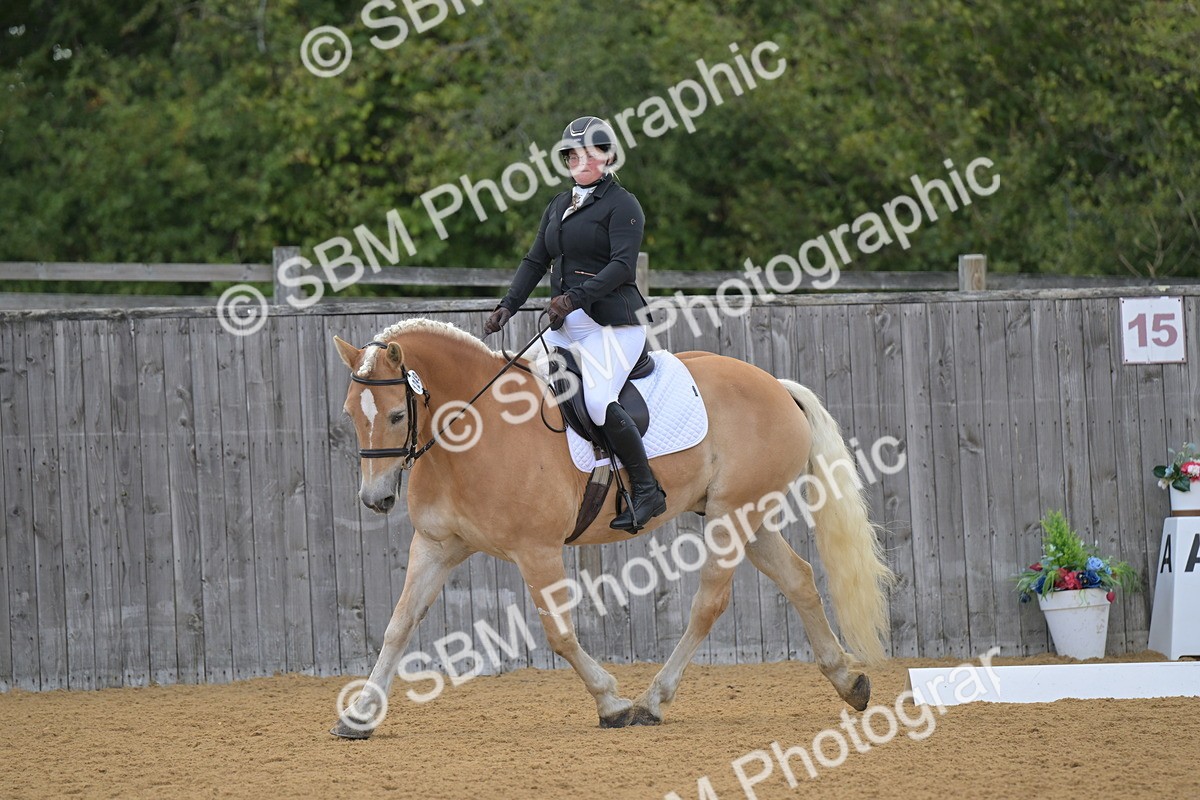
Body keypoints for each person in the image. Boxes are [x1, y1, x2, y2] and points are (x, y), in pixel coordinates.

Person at [483, 115, 666, 532]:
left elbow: (622, 267)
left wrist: (574, 298)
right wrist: (508, 306)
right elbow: (535, 260)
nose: (579, 162)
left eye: (589, 154)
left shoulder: (623, 205)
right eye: (572, 155)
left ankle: (646, 489)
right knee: (515, 381)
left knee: (599, 401)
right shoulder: (558, 205)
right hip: (568, 325)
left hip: (614, 327)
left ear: (608, 157)